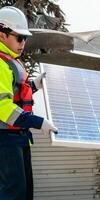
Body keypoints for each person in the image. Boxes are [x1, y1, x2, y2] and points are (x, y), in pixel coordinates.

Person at [0, 6, 58, 200]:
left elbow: (16, 92)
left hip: (18, 136)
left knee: (24, 191)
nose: (23, 43)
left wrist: (34, 85)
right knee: (13, 193)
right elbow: (3, 107)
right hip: (5, 139)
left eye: (25, 38)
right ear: (2, 35)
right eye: (19, 37)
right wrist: (37, 121)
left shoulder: (10, 60)